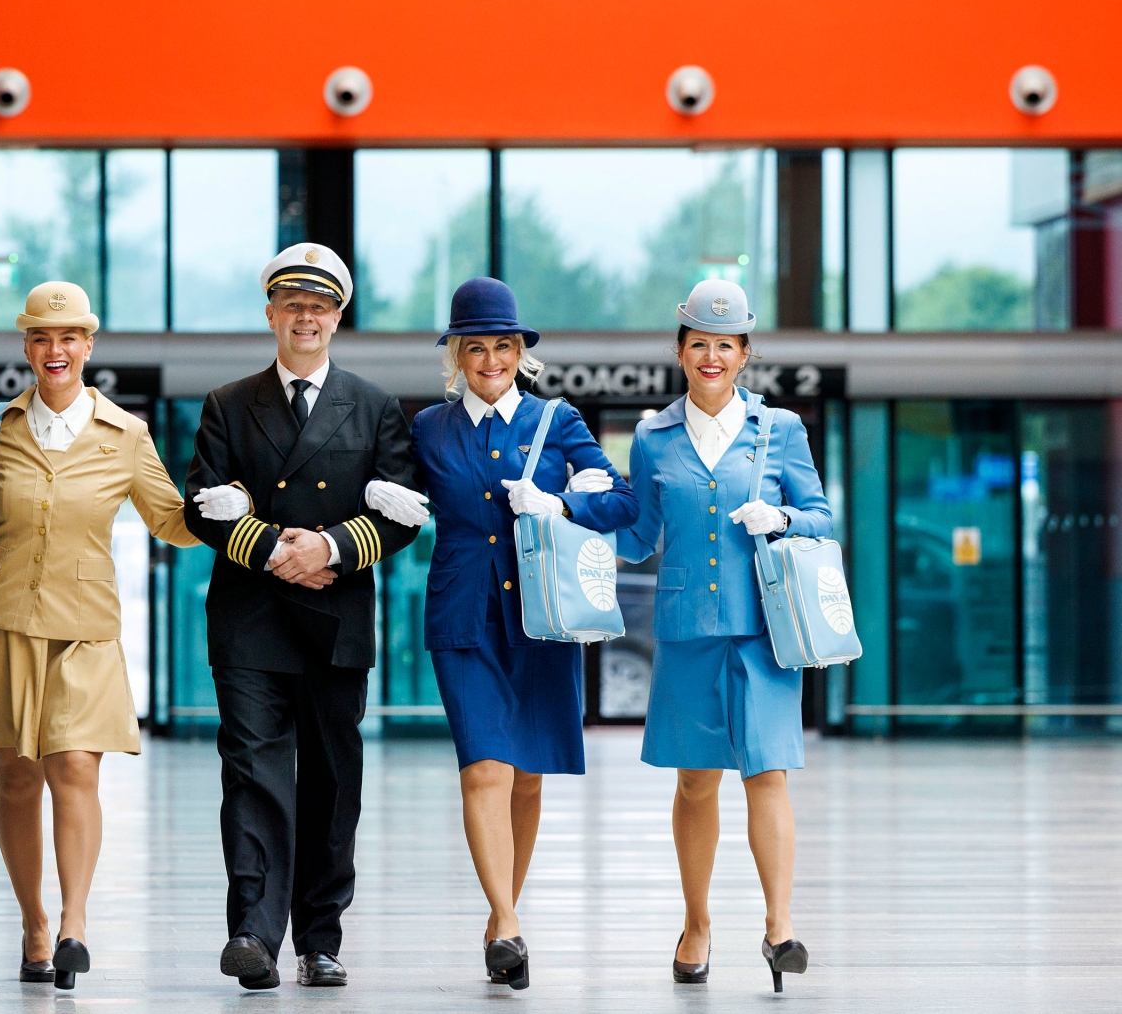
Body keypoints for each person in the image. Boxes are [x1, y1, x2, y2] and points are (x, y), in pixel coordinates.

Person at [0, 282, 202, 990]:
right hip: (3, 623)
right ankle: (35, 924)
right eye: (42, 338)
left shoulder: (126, 433)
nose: (56, 350)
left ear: (88, 345)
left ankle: (76, 922)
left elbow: (170, 520)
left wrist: (232, 506)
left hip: (84, 629)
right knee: (16, 777)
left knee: (76, 768)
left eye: (69, 338)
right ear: (27, 347)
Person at [183, 243, 423, 990]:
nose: (306, 318)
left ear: (337, 317)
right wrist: (274, 551)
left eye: (319, 307)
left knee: (330, 782)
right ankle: (254, 934)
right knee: (252, 776)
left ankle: (321, 938)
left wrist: (332, 547)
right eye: (293, 305)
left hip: (335, 618)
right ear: (271, 314)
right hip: (251, 619)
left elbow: (405, 513)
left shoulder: (374, 406)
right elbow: (201, 506)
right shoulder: (228, 403)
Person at [408, 278, 638, 990]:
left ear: (519, 352)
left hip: (542, 615)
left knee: (528, 775)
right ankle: (508, 923)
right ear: (457, 356)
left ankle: (499, 914)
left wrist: (560, 504)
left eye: (502, 346)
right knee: (486, 767)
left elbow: (622, 501)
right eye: (475, 348)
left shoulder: (557, 421)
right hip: (462, 615)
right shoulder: (428, 428)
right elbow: (392, 498)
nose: (490, 360)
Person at [616, 279, 832, 993]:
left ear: (744, 354)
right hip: (686, 631)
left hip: (765, 631)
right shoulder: (652, 437)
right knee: (695, 780)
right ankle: (697, 923)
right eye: (700, 344)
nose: (712, 356)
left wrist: (784, 519)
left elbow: (821, 515)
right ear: (680, 350)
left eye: (726, 345)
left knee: (767, 772)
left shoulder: (781, 430)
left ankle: (780, 928)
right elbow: (638, 535)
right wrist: (567, 515)